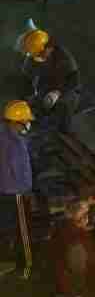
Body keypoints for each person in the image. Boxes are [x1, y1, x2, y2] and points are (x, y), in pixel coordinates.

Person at [16, 20, 81, 132]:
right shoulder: (33, 57)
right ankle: (37, 123)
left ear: (48, 47)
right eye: (36, 55)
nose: (39, 57)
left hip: (66, 90)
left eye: (41, 54)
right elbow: (25, 81)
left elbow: (74, 81)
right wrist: (26, 100)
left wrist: (57, 92)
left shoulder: (64, 57)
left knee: (64, 106)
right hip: (45, 89)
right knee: (33, 105)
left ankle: (64, 131)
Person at [0, 100, 35, 277]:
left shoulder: (4, 135)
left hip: (4, 191)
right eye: (25, 121)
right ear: (15, 122)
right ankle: (26, 266)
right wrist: (27, 191)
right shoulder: (16, 145)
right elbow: (22, 172)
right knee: (23, 231)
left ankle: (6, 260)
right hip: (16, 192)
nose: (28, 124)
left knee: (7, 227)